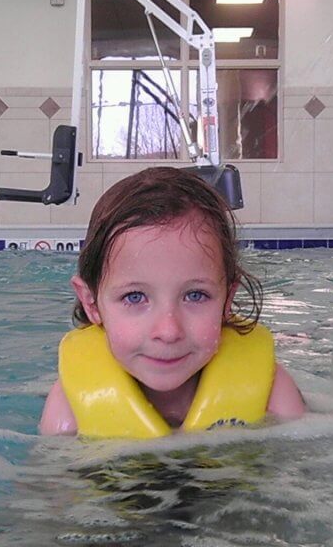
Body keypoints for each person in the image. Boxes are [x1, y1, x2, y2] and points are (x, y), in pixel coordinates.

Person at [39, 167, 306, 438]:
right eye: (134, 297)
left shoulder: (272, 395)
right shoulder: (70, 410)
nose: (168, 331)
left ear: (228, 300)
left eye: (195, 295)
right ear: (92, 303)